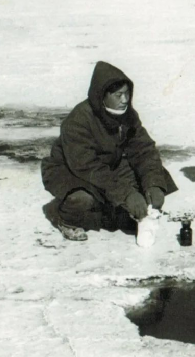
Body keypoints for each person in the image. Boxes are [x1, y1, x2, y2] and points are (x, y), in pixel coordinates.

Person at [41, 61, 178, 241]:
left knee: (143, 181)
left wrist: (153, 184)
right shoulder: (78, 120)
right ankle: (67, 219)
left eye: (127, 93)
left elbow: (143, 149)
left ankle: (113, 211)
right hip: (70, 170)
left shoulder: (127, 114)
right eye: (118, 94)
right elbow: (87, 166)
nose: (125, 100)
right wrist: (126, 194)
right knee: (82, 198)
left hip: (107, 164)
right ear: (102, 95)